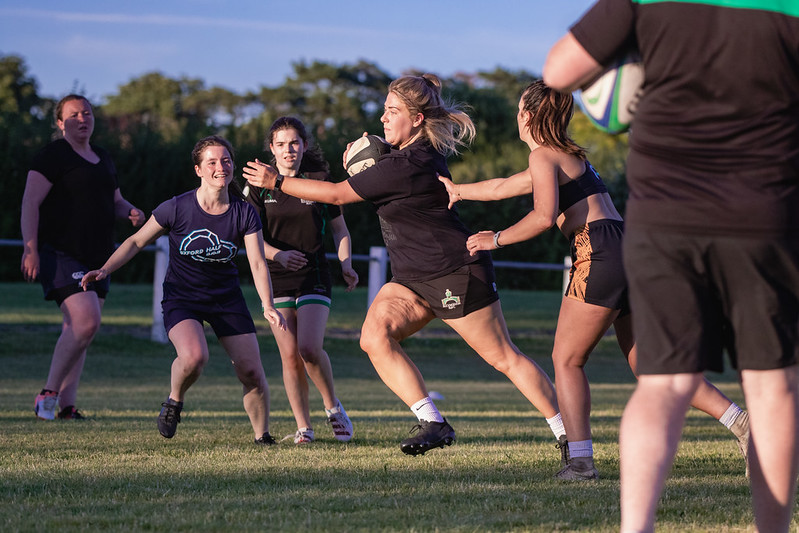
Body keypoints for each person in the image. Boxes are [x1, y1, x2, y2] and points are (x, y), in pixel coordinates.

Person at [544, 1, 799, 531]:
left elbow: (559, 71)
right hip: (765, 206)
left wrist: (631, 59)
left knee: (662, 384)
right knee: (771, 385)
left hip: (666, 209)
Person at [439, 80, 750, 481]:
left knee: (567, 359)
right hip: (629, 246)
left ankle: (581, 463)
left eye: (518, 109)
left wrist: (494, 239)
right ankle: (743, 423)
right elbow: (503, 187)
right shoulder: (568, 157)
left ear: (526, 116)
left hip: (598, 250)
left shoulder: (543, 157)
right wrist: (458, 190)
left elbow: (542, 217)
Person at [243, 73, 565, 458]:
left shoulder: (409, 162)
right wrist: (369, 157)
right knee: (373, 337)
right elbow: (375, 170)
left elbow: (336, 194)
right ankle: (433, 423)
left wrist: (276, 182)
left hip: (454, 271)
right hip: (411, 278)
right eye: (384, 109)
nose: (382, 117)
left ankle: (570, 434)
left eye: (392, 111)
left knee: (503, 358)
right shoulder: (406, 155)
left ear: (416, 119)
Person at [80, 135, 286, 444]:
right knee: (194, 357)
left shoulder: (244, 212)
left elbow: (257, 263)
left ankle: (262, 437)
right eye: (212, 162)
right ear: (198, 170)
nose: (221, 167)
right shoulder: (176, 207)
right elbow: (136, 241)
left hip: (226, 299)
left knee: (252, 373)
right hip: (183, 297)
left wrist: (267, 305)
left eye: (226, 161)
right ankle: (174, 400)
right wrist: (105, 269)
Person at [20, 94, 144, 421]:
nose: (82, 119)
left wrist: (130, 211)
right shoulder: (52, 156)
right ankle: (48, 393)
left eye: (87, 113)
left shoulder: (103, 156)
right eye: (73, 115)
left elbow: (115, 201)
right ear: (60, 123)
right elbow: (30, 203)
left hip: (100, 258)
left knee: (79, 331)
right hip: (61, 253)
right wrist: (30, 248)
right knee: (86, 321)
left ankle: (66, 407)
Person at [243, 117, 358, 444]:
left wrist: (346, 263)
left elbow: (340, 230)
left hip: (314, 275)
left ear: (304, 145)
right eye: (281, 144)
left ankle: (333, 407)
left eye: (294, 142)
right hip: (275, 278)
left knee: (308, 348)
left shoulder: (319, 182)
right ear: (272, 148)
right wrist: (278, 255)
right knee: (290, 356)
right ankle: (304, 428)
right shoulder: (258, 186)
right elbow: (250, 239)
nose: (288, 149)